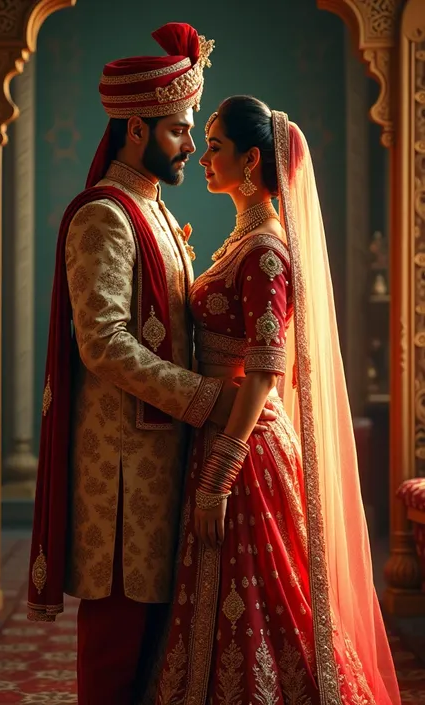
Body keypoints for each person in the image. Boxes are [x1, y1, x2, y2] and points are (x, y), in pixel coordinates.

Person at [26, 24, 276, 705]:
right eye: (178, 131)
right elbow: (103, 342)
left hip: (167, 464)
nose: (192, 146)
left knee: (161, 658)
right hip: (124, 478)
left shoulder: (156, 212)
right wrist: (207, 400)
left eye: (194, 132)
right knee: (117, 647)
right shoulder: (106, 216)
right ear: (135, 130)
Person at [152, 97, 401, 704]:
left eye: (215, 147)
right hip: (224, 427)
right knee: (232, 590)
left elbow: (264, 371)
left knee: (266, 597)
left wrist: (221, 473)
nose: (202, 158)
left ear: (252, 157)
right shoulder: (244, 241)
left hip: (248, 445)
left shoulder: (265, 249)